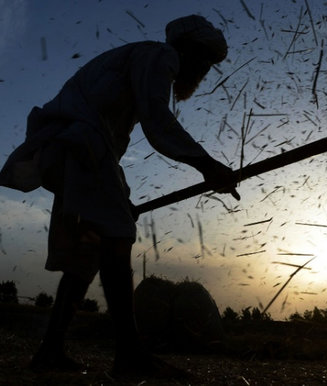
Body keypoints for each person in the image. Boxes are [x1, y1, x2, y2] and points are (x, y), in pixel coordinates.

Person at [0, 15, 239, 376]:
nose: (203, 69)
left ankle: (49, 353)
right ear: (187, 47)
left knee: (87, 253)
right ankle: (130, 356)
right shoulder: (160, 56)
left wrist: (118, 199)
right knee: (117, 237)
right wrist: (207, 164)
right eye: (204, 58)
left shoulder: (133, 61)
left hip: (71, 150)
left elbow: (115, 141)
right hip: (79, 144)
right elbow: (156, 119)